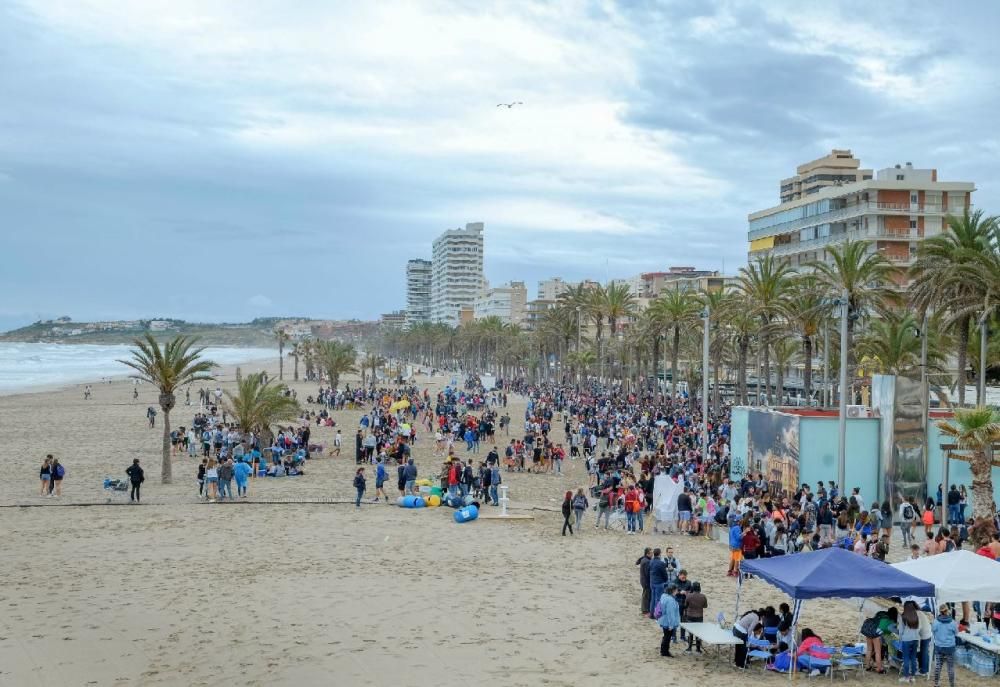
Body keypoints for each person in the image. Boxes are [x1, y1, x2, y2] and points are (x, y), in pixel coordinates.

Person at [932, 604, 957, 687]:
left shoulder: (936, 622)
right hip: (950, 647)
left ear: (940, 611)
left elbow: (933, 631)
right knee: (950, 667)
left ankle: (936, 683)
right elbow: (956, 633)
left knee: (938, 665)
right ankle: (952, 684)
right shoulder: (952, 622)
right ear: (947, 611)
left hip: (939, 646)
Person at [656, 584, 681, 657]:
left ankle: (663, 650)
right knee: (667, 637)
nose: (677, 591)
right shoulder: (670, 600)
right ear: (673, 590)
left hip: (663, 620)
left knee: (666, 636)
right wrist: (671, 625)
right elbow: (671, 614)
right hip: (667, 622)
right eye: (676, 590)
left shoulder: (664, 596)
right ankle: (665, 652)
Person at [683, 582, 707, 654]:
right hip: (699, 616)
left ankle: (689, 648)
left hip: (690, 615)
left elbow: (685, 605)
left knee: (690, 632)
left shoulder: (689, 596)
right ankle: (698, 649)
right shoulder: (703, 596)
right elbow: (705, 606)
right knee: (698, 633)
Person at [900, 601, 921, 682]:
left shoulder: (903, 617)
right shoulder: (916, 616)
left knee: (906, 658)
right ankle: (913, 676)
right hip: (915, 639)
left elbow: (901, 631)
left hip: (906, 639)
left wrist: (900, 639)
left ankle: (906, 677)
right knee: (913, 658)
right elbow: (918, 628)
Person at [648, 548, 666, 617]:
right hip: (659, 582)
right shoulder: (661, 563)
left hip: (652, 582)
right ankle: (657, 614)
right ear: (659, 554)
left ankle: (652, 614)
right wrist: (665, 580)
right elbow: (664, 574)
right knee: (658, 599)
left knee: (653, 598)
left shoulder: (651, 561)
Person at [637, 548, 652, 615]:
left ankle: (645, 609)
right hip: (646, 581)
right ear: (647, 554)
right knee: (646, 595)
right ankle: (645, 610)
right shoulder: (646, 561)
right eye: (651, 553)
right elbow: (647, 573)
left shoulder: (644, 559)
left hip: (643, 580)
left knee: (645, 594)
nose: (652, 554)